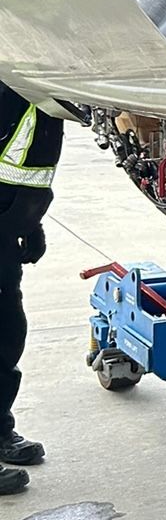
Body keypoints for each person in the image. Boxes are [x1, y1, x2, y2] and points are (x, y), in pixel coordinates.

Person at [0, 78, 63, 495]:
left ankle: (0, 430)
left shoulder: (37, 75)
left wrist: (31, 220)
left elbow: (27, 162)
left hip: (7, 221)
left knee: (7, 329)